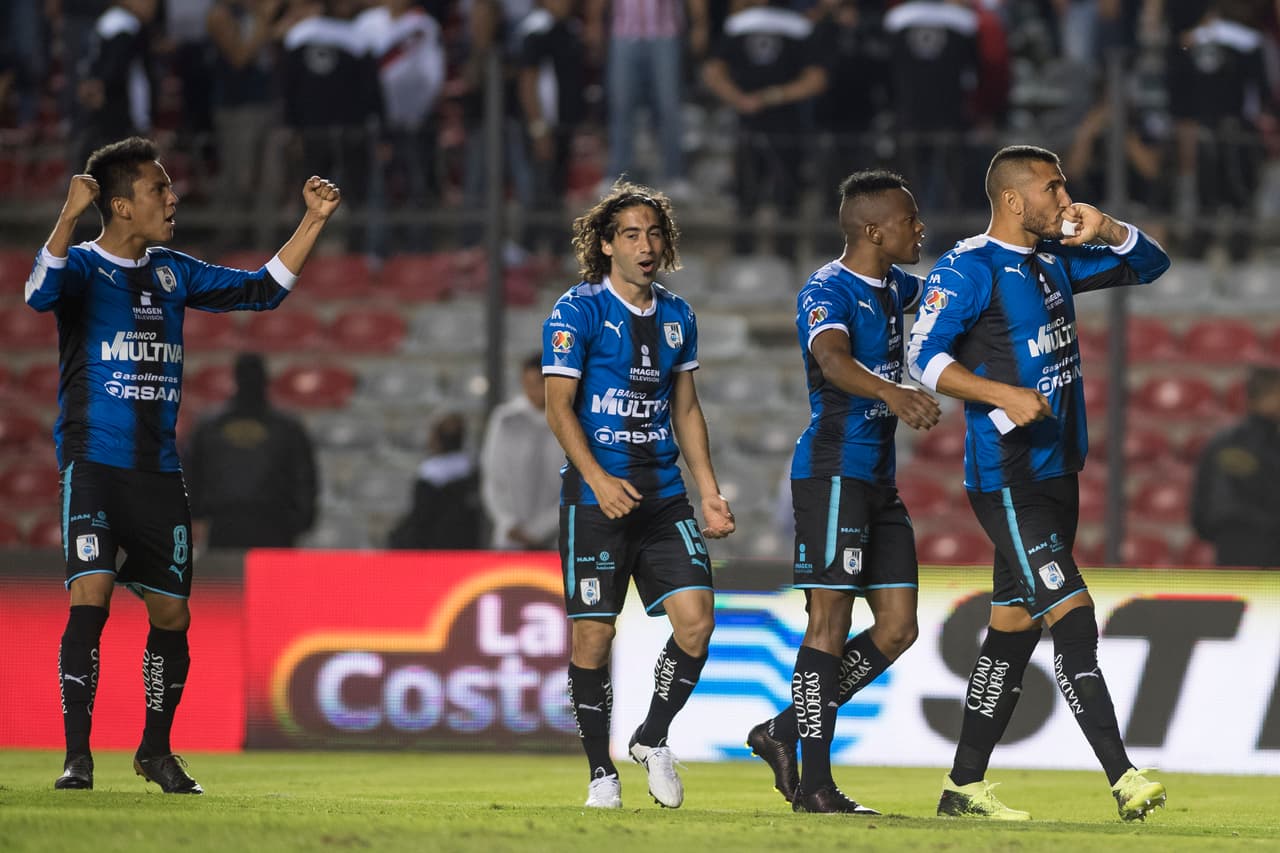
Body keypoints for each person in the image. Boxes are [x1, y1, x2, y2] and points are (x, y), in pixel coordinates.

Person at [24, 136, 341, 793]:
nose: (173, 198)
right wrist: (68, 214)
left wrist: (312, 221)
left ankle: (155, 750)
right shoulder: (80, 267)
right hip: (93, 464)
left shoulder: (173, 272)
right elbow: (37, 292)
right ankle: (77, 756)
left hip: (159, 475)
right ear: (121, 205)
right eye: (158, 189)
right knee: (90, 598)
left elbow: (261, 291)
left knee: (172, 617)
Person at [905, 144, 1170, 821]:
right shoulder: (968, 269)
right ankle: (1124, 776)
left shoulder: (1052, 260)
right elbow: (921, 355)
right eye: (1053, 188)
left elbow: (1150, 264)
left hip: (1058, 471)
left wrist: (1108, 228)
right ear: (1013, 199)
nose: (1064, 198)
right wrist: (1001, 393)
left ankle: (963, 787)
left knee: (1013, 629)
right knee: (1072, 615)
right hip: (1007, 478)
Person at [743, 171, 940, 814]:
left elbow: (949, 289)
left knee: (898, 627)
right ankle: (817, 786)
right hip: (832, 473)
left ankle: (781, 730)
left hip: (877, 480)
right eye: (910, 220)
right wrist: (892, 392)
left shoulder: (896, 285)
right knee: (829, 621)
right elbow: (831, 360)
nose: (920, 229)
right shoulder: (826, 289)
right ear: (874, 231)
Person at [542, 181, 735, 809]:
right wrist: (598, 479)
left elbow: (687, 409)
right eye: (631, 234)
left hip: (664, 498)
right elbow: (558, 407)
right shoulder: (576, 311)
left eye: (654, 234)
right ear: (606, 245)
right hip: (596, 500)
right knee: (593, 640)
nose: (645, 245)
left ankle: (651, 737)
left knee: (698, 623)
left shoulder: (679, 317)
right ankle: (602, 774)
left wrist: (709, 491)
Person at [184, 352, 319, 549]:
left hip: (226, 524)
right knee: (268, 571)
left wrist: (195, 512)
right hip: (274, 524)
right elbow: (304, 479)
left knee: (228, 570)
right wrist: (302, 520)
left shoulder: (210, 426)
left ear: (235, 379)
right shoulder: (288, 427)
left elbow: (191, 474)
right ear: (266, 380)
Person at [1190, 364, 1280, 567]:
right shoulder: (1272, 445)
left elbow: (1201, 505)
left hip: (1229, 550)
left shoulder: (1219, 442)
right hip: (1271, 552)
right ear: (1272, 395)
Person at [479, 353, 563, 550]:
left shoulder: (572, 422)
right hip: (511, 539)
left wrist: (540, 529)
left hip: (557, 539)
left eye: (539, 383)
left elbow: (577, 486)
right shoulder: (506, 420)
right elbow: (493, 476)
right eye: (527, 383)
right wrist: (507, 522)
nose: (533, 390)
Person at [387, 412, 484, 549]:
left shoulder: (430, 474)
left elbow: (421, 519)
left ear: (437, 440)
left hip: (434, 547)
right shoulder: (471, 470)